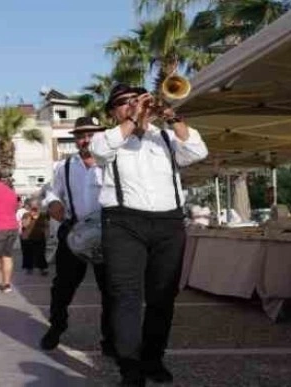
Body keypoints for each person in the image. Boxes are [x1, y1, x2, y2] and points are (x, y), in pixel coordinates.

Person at [92, 84, 208, 386]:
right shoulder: (108, 139)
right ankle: (130, 369)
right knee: (125, 297)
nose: (132, 105)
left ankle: (153, 360)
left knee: (163, 297)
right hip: (123, 224)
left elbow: (198, 151)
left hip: (168, 224)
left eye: (136, 100)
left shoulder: (165, 137)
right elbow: (100, 151)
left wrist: (169, 114)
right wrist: (131, 119)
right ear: (112, 112)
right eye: (123, 103)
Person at [40, 116, 114, 357]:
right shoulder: (65, 166)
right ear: (75, 139)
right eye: (81, 136)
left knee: (111, 289)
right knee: (62, 286)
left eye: (91, 134)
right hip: (75, 233)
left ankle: (110, 338)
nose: (85, 140)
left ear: (101, 135)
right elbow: (51, 192)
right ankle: (57, 326)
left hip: (109, 233)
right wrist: (52, 203)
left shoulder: (113, 162)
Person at [20, 198, 49, 276]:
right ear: (30, 207)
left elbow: (46, 226)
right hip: (27, 237)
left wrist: (47, 235)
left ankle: (42, 268)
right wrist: (31, 217)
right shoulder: (26, 215)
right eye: (33, 207)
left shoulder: (43, 215)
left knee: (41, 253)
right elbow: (25, 225)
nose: (35, 209)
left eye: (37, 206)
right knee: (27, 253)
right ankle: (28, 268)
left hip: (40, 236)